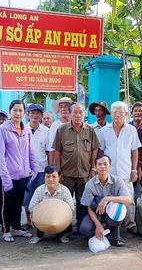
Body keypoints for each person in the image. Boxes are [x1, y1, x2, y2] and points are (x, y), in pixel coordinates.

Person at [0, 100, 38, 242]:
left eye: (20, 110)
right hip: (9, 174)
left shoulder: (26, 130)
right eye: (15, 110)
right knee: (7, 204)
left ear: (24, 112)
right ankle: (6, 230)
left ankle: (17, 228)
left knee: (18, 203)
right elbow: (0, 155)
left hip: (24, 174)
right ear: (10, 111)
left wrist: (34, 169)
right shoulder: (3, 129)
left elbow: (31, 151)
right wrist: (5, 176)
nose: (18, 113)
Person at [53, 103, 99, 231]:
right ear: (70, 114)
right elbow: (57, 150)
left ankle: (81, 226)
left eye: (80, 112)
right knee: (65, 202)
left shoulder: (90, 130)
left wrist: (93, 168)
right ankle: (65, 227)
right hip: (66, 174)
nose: (78, 115)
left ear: (84, 114)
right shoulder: (61, 130)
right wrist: (58, 170)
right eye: (75, 112)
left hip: (85, 173)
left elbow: (94, 149)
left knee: (82, 202)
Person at [98, 101, 141, 234]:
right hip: (108, 172)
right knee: (109, 198)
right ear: (110, 114)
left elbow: (134, 151)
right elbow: (100, 151)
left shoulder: (131, 130)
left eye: (120, 112)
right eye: (114, 112)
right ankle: (110, 224)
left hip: (125, 171)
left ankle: (130, 224)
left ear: (126, 114)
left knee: (128, 198)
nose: (117, 115)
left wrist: (134, 169)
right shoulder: (104, 131)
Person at [79, 155, 132, 247]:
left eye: (105, 164)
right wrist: (98, 224)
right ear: (95, 167)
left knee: (119, 209)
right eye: (99, 164)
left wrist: (107, 199)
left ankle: (116, 235)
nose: (102, 166)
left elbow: (128, 200)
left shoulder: (118, 181)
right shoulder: (90, 184)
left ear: (110, 166)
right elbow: (89, 207)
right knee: (84, 229)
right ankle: (103, 232)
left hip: (112, 214)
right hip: (96, 213)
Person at [28, 165, 74, 244]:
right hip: (43, 219)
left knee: (65, 220)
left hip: (60, 220)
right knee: (35, 215)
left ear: (59, 177)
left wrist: (57, 213)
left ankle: (61, 235)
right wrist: (36, 213)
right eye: (48, 176)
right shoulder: (39, 190)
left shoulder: (65, 190)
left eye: (54, 176)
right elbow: (31, 207)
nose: (50, 179)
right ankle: (39, 235)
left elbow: (71, 208)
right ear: (44, 177)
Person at [22, 103, 50, 230]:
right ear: (28, 115)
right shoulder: (22, 129)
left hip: (42, 170)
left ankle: (41, 221)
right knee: (28, 197)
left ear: (41, 115)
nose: (35, 115)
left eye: (38, 113)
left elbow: (49, 151)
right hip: (26, 171)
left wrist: (50, 169)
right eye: (32, 113)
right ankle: (29, 221)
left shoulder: (46, 131)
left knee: (42, 196)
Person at [48, 97, 73, 165]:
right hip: (60, 162)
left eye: (66, 106)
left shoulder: (76, 124)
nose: (63, 109)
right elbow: (51, 148)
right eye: (61, 107)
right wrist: (51, 167)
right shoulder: (55, 126)